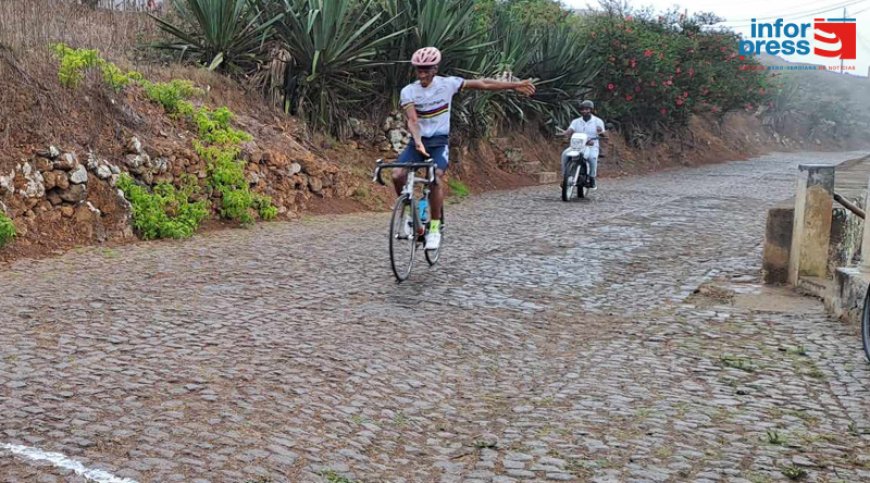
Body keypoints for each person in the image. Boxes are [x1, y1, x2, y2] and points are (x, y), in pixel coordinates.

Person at [393, 47, 536, 250]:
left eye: (426, 69)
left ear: (435, 68)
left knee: (435, 178)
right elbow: (412, 119)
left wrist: (514, 85)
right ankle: (407, 214)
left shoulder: (448, 84)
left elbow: (483, 83)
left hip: (438, 143)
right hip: (418, 142)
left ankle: (434, 228)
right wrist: (417, 142)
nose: (422, 74)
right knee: (397, 175)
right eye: (418, 70)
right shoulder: (409, 91)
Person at [561, 100, 606, 190]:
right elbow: (570, 130)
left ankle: (592, 178)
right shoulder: (576, 121)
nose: (585, 111)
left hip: (591, 146)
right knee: (565, 155)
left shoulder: (598, 121)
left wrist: (600, 132)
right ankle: (564, 177)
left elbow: (604, 134)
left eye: (587, 109)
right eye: (582, 109)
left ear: (591, 110)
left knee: (592, 157)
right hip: (576, 146)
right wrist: (566, 133)